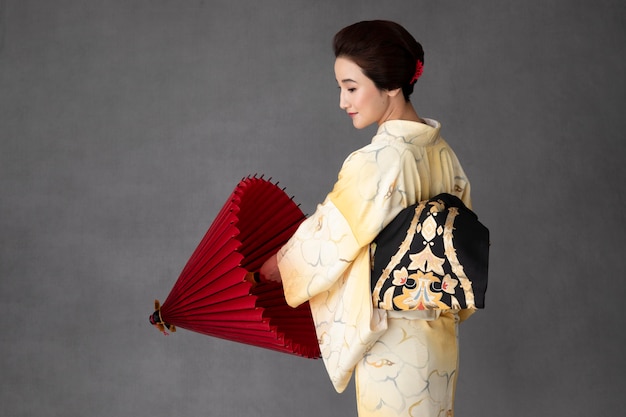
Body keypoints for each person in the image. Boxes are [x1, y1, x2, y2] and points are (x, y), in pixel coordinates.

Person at [260, 20, 473, 417]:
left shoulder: (380, 160)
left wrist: (280, 265)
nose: (343, 101)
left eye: (351, 87)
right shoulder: (445, 154)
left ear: (391, 84)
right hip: (439, 338)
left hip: (394, 340)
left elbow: (334, 234)